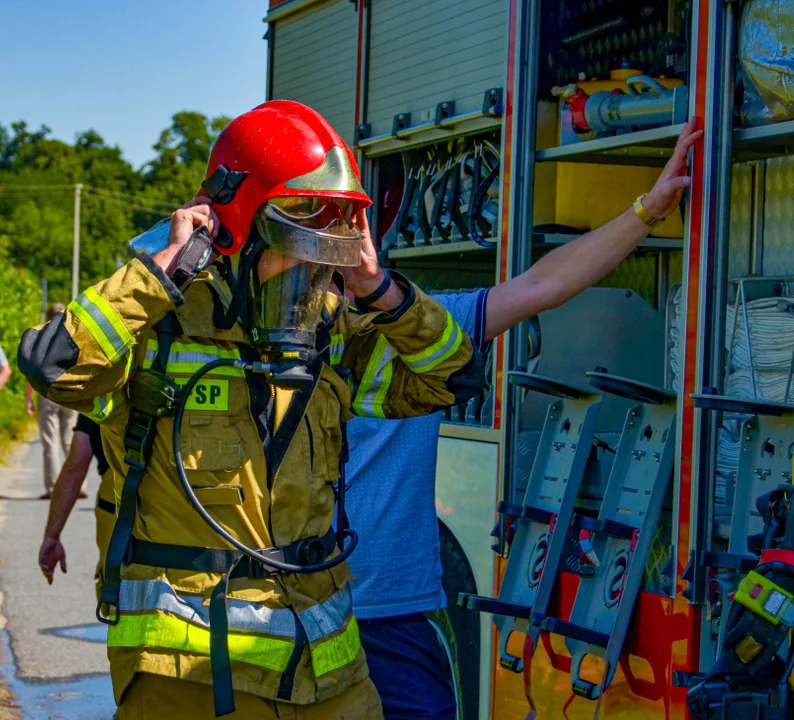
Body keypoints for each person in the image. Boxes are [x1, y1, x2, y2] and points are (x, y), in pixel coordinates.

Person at [19, 100, 478, 720]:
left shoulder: (327, 331)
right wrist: (160, 275)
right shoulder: (156, 331)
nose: (310, 279)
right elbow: (54, 363)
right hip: (189, 676)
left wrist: (379, 288)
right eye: (291, 252)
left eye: (322, 257)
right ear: (231, 235)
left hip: (330, 676)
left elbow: (448, 377)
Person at [346, 120, 703, 718]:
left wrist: (647, 211)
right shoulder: (267, 340)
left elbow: (544, 283)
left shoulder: (421, 324)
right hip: (299, 609)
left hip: (393, 615)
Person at [38, 414, 111, 585]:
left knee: (123, 594)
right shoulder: (185, 393)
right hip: (180, 511)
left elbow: (75, 467)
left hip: (119, 512)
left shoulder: (104, 392)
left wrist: (52, 534)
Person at [26, 303, 80, 500]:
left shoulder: (39, 337)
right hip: (69, 392)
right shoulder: (74, 337)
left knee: (50, 442)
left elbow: (31, 369)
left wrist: (28, 399)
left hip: (47, 392)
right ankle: (78, 486)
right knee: (69, 439)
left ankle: (53, 488)